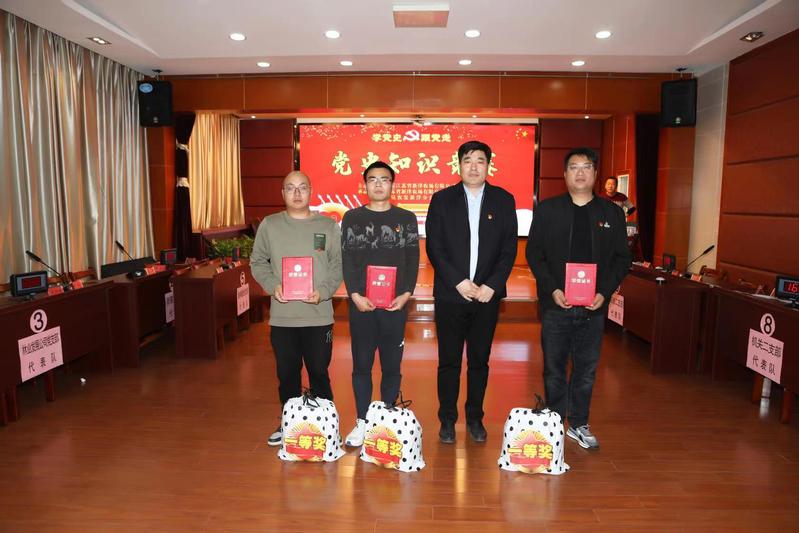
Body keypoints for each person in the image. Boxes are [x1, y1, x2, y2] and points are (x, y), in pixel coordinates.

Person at [526, 148, 631, 450]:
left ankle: (579, 423)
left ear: (596, 174)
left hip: (594, 307)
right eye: (574, 167)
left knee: (586, 370)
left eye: (586, 167)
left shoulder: (611, 213)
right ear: (565, 174)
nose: (580, 173)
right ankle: (554, 423)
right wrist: (552, 289)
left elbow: (622, 258)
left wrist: (604, 292)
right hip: (556, 305)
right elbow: (535, 253)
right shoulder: (548, 210)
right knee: (554, 368)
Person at [425, 140, 517, 444]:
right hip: (451, 294)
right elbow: (435, 246)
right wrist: (457, 281)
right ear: (459, 165)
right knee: (449, 361)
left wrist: (492, 284)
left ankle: (475, 418)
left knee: (479, 361)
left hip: (486, 296)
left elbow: (509, 248)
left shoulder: (503, 200)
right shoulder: (442, 199)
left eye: (480, 160)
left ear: (488, 165)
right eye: (468, 160)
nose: (474, 166)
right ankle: (447, 420)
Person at [250, 171, 343, 446]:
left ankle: (327, 427)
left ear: (311, 191)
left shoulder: (328, 226)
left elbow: (338, 264)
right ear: (283, 193)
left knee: (319, 373)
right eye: (290, 188)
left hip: (319, 316)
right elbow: (258, 262)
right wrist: (272, 285)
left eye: (302, 187)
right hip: (283, 318)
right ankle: (288, 424)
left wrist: (324, 291)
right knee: (287, 375)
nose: (297, 193)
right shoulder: (270, 225)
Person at [340, 161, 420, 447]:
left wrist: (406, 293)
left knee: (391, 365)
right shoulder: (352, 217)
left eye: (384, 179)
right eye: (372, 179)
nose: (378, 184)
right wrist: (354, 294)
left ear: (392, 184)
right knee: (361, 365)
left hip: (394, 305)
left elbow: (412, 258)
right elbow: (347, 259)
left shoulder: (406, 218)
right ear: (365, 184)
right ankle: (363, 421)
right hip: (361, 305)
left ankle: (385, 420)